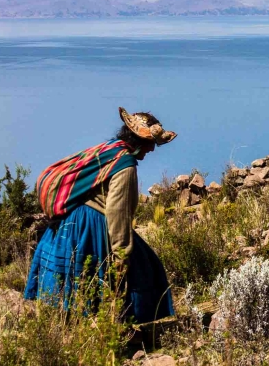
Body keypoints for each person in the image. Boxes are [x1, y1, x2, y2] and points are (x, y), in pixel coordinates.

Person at [24, 107, 176, 324]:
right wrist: (121, 255)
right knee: (146, 268)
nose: (152, 149)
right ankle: (131, 329)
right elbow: (118, 213)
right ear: (138, 141)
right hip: (93, 223)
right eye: (150, 143)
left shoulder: (110, 149)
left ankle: (69, 326)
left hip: (72, 220)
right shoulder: (126, 166)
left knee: (72, 278)